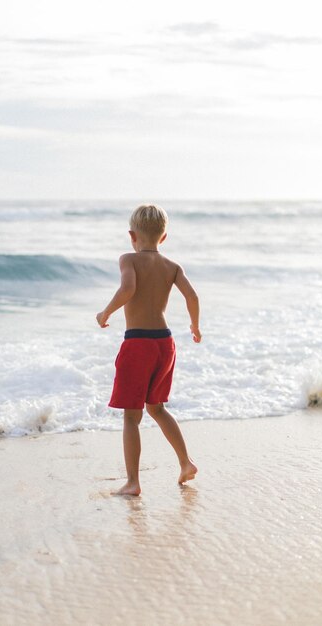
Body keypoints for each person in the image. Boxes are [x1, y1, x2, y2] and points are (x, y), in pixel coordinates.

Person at [96, 204, 201, 496]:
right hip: (165, 343)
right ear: (163, 238)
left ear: (132, 235)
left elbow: (128, 289)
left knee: (131, 416)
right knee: (156, 407)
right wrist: (195, 326)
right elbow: (191, 295)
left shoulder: (128, 259)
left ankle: (133, 482)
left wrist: (105, 312)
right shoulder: (172, 266)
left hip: (138, 342)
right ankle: (185, 462)